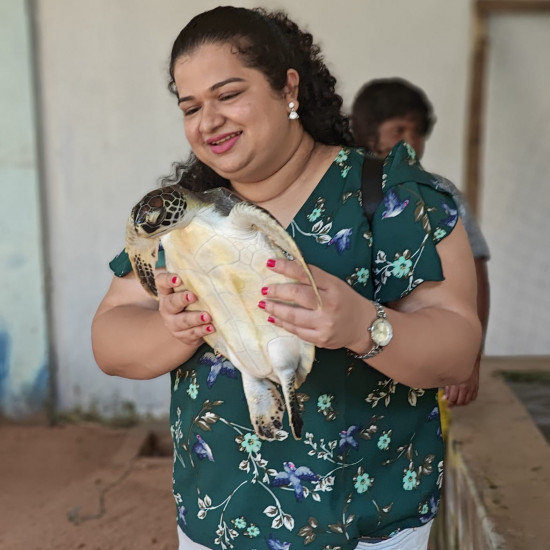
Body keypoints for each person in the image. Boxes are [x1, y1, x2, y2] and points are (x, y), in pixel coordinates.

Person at [92, 7, 481, 550]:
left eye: (229, 95)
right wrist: (177, 329)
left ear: (288, 88)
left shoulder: (389, 195)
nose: (208, 121)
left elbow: (458, 346)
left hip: (369, 529)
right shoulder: (181, 218)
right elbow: (110, 337)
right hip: (218, 525)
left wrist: (362, 325)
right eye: (190, 107)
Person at [351, 78, 490, 409]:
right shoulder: (339, 189)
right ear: (367, 131)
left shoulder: (438, 194)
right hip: (354, 368)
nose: (411, 142)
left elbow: (476, 270)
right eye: (399, 130)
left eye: (418, 133)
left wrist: (470, 357)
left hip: (426, 360)